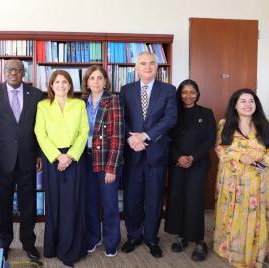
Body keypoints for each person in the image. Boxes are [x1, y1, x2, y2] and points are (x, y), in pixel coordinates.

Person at [119, 51, 177, 258]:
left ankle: (152, 238)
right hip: (133, 153)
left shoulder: (169, 90)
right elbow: (120, 119)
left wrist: (145, 136)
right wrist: (131, 139)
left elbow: (170, 118)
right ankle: (133, 236)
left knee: (154, 199)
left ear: (157, 67)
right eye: (143, 63)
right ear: (136, 67)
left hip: (156, 154)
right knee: (132, 198)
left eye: (152, 63)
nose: (147, 67)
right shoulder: (126, 90)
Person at [0, 59, 43, 260]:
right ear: (4, 72)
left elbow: (40, 128)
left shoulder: (35, 94)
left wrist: (38, 154)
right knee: (3, 204)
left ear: (23, 73)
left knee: (29, 204)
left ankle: (29, 243)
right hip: (3, 159)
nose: (13, 72)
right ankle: (4, 244)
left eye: (18, 69)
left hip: (28, 158)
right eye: (9, 69)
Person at [214, 88, 269, 267]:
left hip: (260, 179)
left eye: (251, 101)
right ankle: (232, 250)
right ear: (235, 105)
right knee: (233, 213)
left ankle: (257, 252)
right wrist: (240, 156)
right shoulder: (224, 124)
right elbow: (220, 148)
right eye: (243, 101)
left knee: (257, 215)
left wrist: (265, 159)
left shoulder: (266, 124)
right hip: (233, 179)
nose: (248, 105)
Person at [34, 70, 89, 267]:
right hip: (52, 159)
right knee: (55, 202)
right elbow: (39, 132)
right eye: (57, 82)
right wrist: (58, 156)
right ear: (51, 85)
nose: (61, 85)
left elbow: (84, 131)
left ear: (70, 85)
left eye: (65, 82)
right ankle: (53, 246)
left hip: (75, 158)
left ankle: (70, 250)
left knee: (72, 203)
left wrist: (70, 156)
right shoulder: (43, 105)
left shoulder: (79, 104)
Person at [164, 79, 216, 261]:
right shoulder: (173, 114)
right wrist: (179, 157)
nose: (188, 95)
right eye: (184, 92)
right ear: (179, 94)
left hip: (198, 163)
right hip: (177, 163)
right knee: (177, 198)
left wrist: (192, 157)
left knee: (194, 200)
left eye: (192, 92)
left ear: (198, 94)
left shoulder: (206, 113)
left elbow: (210, 139)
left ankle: (199, 241)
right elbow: (167, 139)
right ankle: (181, 236)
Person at [81, 65, 124, 258]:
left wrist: (112, 168)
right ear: (87, 83)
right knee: (90, 203)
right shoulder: (81, 103)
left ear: (105, 81)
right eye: (92, 78)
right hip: (86, 161)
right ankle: (93, 238)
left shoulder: (113, 102)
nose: (96, 82)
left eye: (100, 78)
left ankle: (111, 242)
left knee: (109, 205)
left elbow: (118, 137)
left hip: (107, 161)